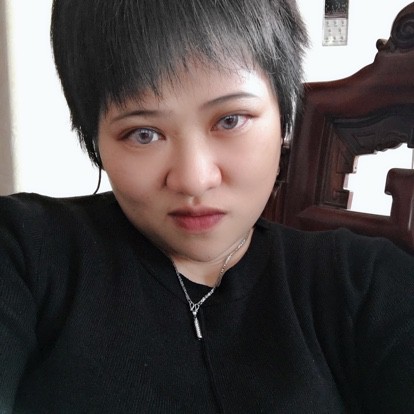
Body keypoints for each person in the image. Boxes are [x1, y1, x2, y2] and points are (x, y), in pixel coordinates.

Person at [1, 0, 413, 412]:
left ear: (284, 118)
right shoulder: (25, 253)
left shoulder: (367, 284)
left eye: (230, 120)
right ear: (95, 141)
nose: (193, 179)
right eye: (143, 133)